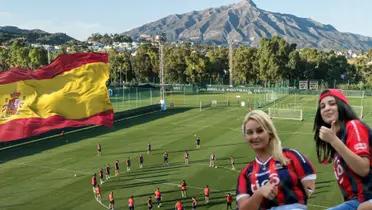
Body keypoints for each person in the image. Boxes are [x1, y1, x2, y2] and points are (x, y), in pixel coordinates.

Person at [237, 110, 316, 210]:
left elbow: (309, 189)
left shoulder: (292, 156)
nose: (255, 136)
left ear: (270, 132)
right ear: (245, 137)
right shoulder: (245, 173)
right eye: (249, 132)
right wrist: (260, 193)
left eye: (260, 131)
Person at [314, 89, 372, 210]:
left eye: (332, 103)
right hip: (357, 201)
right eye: (322, 106)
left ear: (342, 106)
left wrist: (334, 141)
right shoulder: (339, 137)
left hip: (365, 199)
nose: (327, 108)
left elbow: (363, 169)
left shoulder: (353, 125)